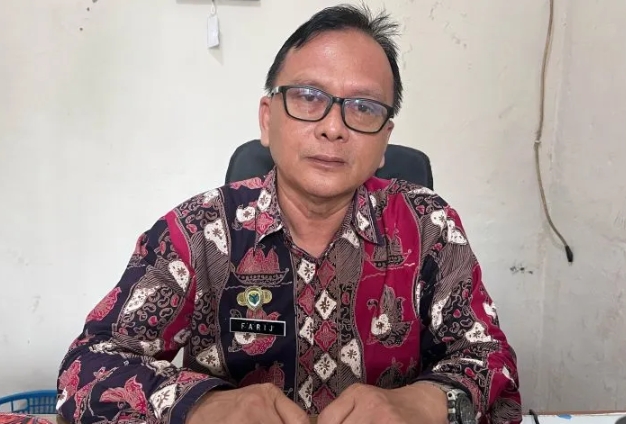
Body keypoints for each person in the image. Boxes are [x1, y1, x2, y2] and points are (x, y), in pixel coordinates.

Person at [56, 4, 521, 424]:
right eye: (308, 97)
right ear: (267, 118)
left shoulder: (429, 226)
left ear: (384, 141)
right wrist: (202, 406)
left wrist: (422, 404)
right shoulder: (195, 232)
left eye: (363, 107)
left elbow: (490, 360)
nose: (333, 128)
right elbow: (89, 368)